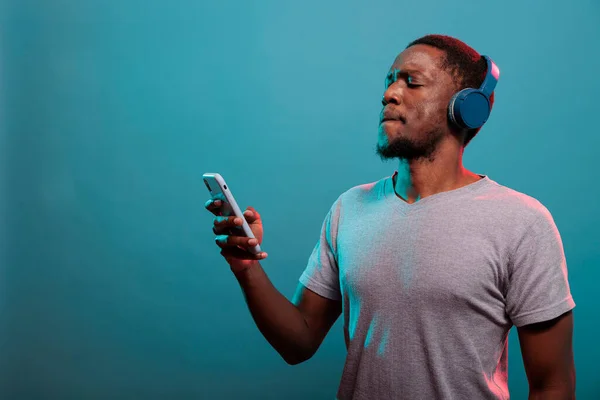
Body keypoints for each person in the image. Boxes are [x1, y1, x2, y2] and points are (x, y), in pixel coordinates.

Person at [205, 34, 576, 400]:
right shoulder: (349, 208)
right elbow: (298, 342)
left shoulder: (522, 222)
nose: (389, 94)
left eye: (411, 82)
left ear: (467, 107)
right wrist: (247, 267)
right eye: (389, 81)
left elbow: (553, 386)